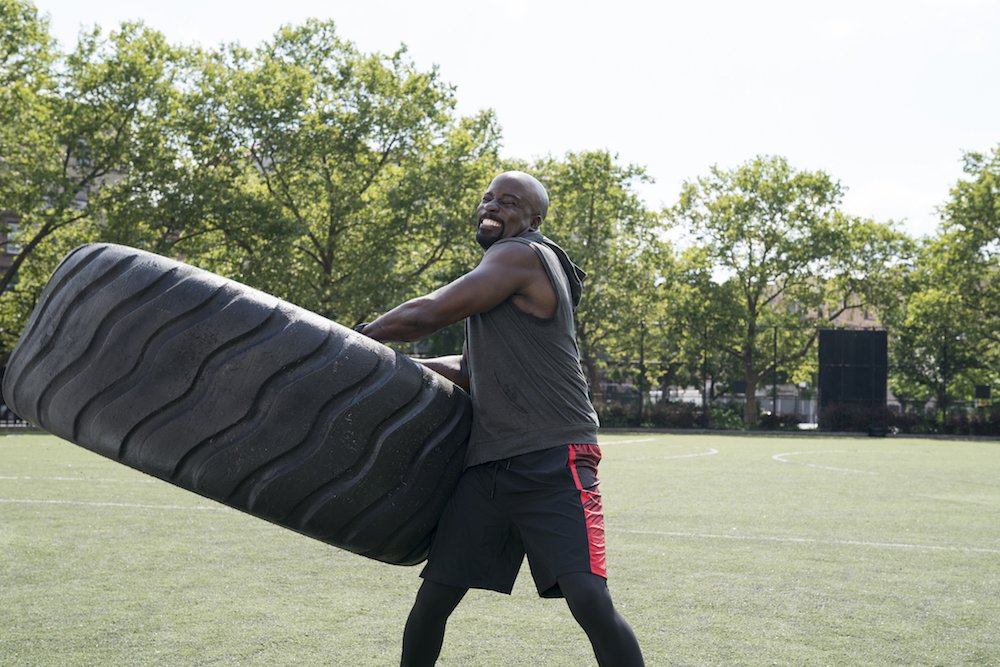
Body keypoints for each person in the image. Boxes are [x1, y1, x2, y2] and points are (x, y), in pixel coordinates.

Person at [355, 171, 645, 667]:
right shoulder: (501, 278)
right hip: (490, 465)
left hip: (554, 456)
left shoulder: (521, 254)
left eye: (508, 202)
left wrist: (362, 337)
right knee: (433, 600)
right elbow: (470, 371)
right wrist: (393, 365)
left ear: (534, 220)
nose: (491, 206)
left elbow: (429, 312)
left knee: (588, 598)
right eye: (488, 198)